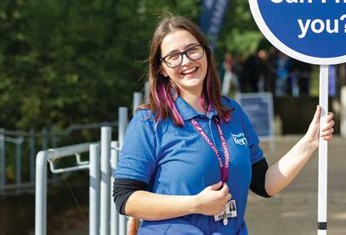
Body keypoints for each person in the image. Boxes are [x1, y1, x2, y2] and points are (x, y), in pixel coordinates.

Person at [113, 16, 334, 234]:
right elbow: (125, 197)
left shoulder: (232, 112)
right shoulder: (150, 121)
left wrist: (309, 142)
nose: (186, 61)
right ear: (162, 68)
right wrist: (195, 204)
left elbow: (265, 184)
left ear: (205, 53)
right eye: (173, 56)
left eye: (192, 50)